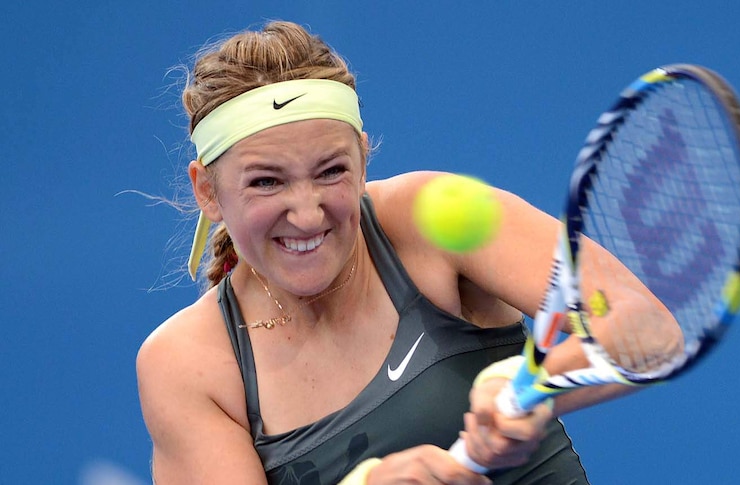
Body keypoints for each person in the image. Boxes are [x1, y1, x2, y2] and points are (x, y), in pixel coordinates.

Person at [136, 20, 663, 485]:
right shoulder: (186, 365)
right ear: (207, 191)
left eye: (331, 171)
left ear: (363, 157)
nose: (307, 213)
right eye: (267, 182)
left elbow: (648, 326)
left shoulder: (431, 216)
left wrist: (528, 385)